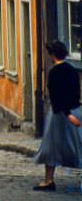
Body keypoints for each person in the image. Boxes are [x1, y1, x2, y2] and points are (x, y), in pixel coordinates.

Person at [33, 40, 82, 191]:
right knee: (78, 144)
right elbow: (75, 93)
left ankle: (49, 180)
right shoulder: (72, 70)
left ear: (52, 55)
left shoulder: (54, 73)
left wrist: (67, 115)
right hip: (76, 110)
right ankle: (48, 180)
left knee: (51, 146)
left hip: (59, 114)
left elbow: (56, 97)